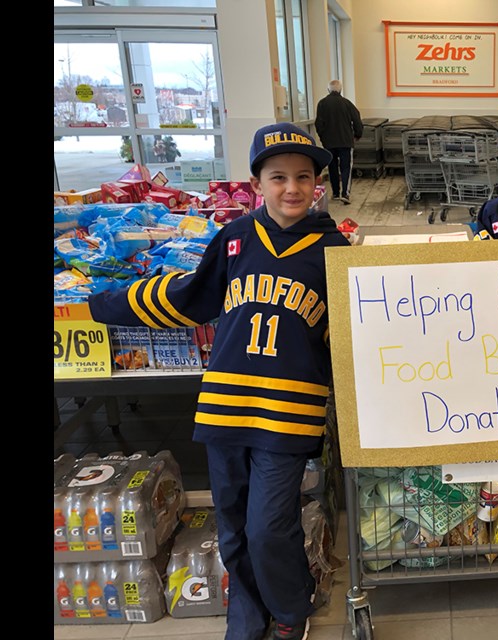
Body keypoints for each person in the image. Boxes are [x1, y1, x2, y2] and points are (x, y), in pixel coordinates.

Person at [87, 122, 351, 640]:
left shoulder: (333, 249)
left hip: (289, 413)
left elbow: (357, 326)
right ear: (256, 184)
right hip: (224, 406)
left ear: (318, 183)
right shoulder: (233, 239)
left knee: (268, 527)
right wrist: (100, 304)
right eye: (278, 177)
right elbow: (188, 297)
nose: (292, 188)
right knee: (231, 528)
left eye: (303, 177)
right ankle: (247, 618)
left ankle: (290, 612)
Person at [314, 79, 363, 204]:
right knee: (346, 167)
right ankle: (345, 194)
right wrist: (357, 134)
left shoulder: (322, 104)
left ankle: (335, 193)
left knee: (332, 167)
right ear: (340, 90)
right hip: (345, 141)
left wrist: (323, 138)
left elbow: (318, 124)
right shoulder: (347, 103)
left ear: (328, 90)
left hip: (329, 143)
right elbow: (357, 119)